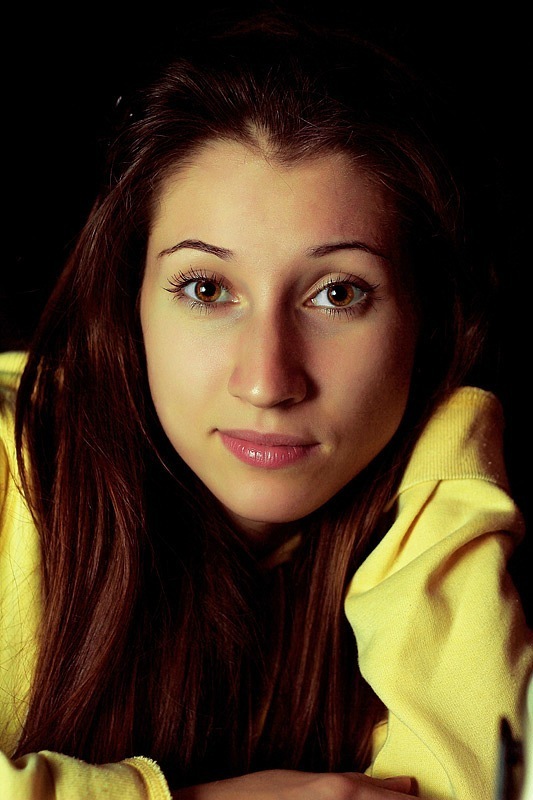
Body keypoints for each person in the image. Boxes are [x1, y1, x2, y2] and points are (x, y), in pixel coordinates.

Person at [1, 11, 531, 800]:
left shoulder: (434, 500)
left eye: (338, 294)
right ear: (129, 304)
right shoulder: (11, 462)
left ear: (426, 322)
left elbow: (487, 787)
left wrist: (448, 453)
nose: (266, 380)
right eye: (205, 289)